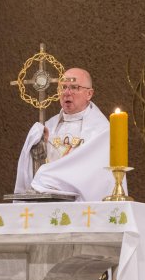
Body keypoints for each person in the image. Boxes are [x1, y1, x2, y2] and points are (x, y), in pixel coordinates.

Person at [15, 67, 115, 202]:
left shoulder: (101, 131)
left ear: (89, 94)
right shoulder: (48, 127)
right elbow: (36, 169)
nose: (67, 93)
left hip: (81, 204)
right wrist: (39, 146)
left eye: (74, 87)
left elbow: (97, 175)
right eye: (63, 87)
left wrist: (48, 176)